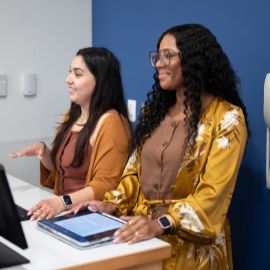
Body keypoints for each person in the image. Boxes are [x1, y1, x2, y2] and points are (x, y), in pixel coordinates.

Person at [71, 24, 248, 270]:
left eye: (168, 55)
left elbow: (213, 196)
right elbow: (133, 172)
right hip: (143, 240)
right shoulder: (153, 114)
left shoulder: (227, 118)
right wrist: (112, 203)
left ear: (195, 59)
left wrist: (161, 223)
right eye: (157, 56)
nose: (158, 63)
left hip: (194, 254)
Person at [10, 47, 131, 221]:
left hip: (89, 217)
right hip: (66, 212)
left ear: (101, 80)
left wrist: (62, 202)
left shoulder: (113, 123)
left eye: (78, 74)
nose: (68, 80)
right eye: (70, 72)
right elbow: (65, 171)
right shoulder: (74, 115)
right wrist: (44, 153)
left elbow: (106, 186)